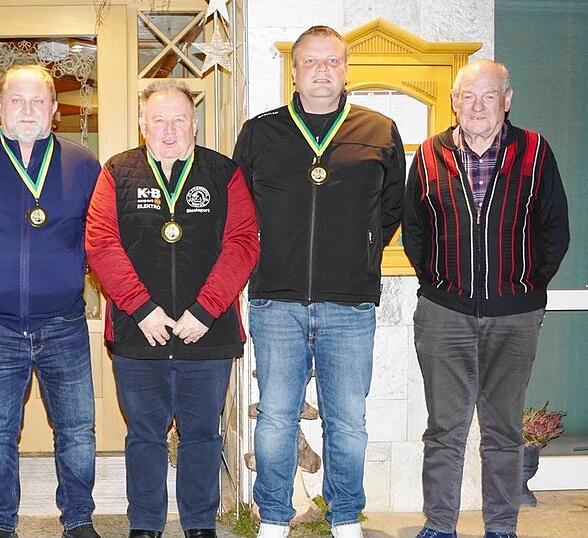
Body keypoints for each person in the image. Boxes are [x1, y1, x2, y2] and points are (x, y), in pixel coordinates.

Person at [233, 25, 406, 538]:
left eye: (332, 62)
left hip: (349, 304)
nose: (322, 71)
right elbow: (239, 212)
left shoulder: (379, 129)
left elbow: (392, 205)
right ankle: (274, 517)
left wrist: (363, 249)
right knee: (276, 420)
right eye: (311, 62)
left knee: (348, 422)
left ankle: (347, 514)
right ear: (294, 70)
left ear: (346, 69)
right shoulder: (261, 132)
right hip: (276, 302)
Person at [403, 59, 569, 538]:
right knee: (444, 432)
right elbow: (416, 231)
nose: (477, 106)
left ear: (507, 100)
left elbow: (555, 230)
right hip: (444, 315)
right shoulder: (431, 154)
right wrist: (439, 280)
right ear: (454, 102)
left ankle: (501, 527)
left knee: (503, 433)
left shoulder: (535, 151)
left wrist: (524, 285)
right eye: (467, 97)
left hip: (514, 317)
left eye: (488, 96)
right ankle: (439, 526)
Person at [86, 80, 259, 538]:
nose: (168, 129)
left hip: (209, 334)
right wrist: (141, 308)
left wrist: (205, 311)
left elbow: (242, 243)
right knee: (144, 436)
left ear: (194, 125)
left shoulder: (224, 173)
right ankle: (145, 525)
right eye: (158, 120)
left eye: (179, 119)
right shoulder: (117, 172)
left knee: (202, 435)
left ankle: (200, 525)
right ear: (142, 125)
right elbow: (101, 243)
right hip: (138, 334)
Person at [0, 64, 102, 538]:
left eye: (38, 101)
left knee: (77, 432)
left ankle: (78, 520)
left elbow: (103, 238)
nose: (27, 110)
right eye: (17, 100)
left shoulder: (82, 163)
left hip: (65, 324)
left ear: (54, 108)